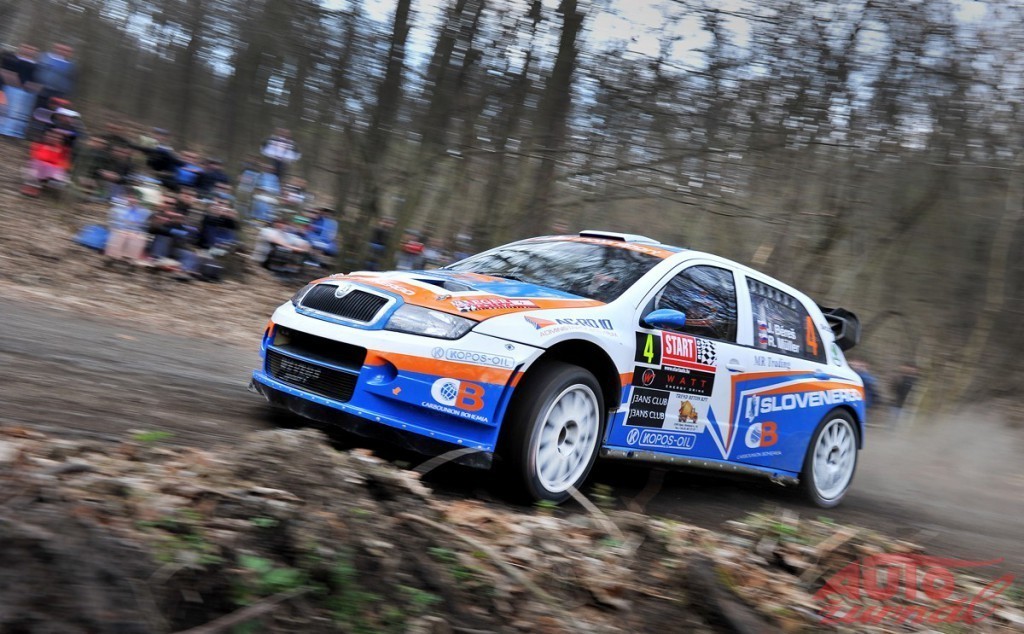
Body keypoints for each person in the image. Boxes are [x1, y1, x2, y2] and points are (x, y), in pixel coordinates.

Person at [0, 44, 39, 139]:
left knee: (20, 114)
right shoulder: (10, 59)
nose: (28, 50)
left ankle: (15, 134)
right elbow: (4, 72)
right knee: (5, 110)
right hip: (8, 88)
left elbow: (37, 80)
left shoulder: (37, 66)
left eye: (31, 48)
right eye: (26, 47)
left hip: (26, 94)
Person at [23, 128, 71, 197]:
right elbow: (35, 157)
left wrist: (54, 167)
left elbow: (64, 164)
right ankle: (32, 187)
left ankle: (41, 184)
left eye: (57, 138)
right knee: (36, 165)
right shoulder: (39, 145)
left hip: (54, 173)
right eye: (51, 136)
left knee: (60, 178)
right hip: (39, 169)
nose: (53, 139)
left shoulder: (63, 150)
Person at [105, 191, 151, 263]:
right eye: (130, 197)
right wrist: (116, 228)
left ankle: (128, 258)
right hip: (120, 229)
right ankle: (113, 257)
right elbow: (112, 221)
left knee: (138, 238)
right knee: (119, 235)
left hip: (135, 231)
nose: (132, 200)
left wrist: (137, 232)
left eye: (135, 198)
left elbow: (144, 225)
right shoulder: (117, 209)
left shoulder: (144, 211)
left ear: (139, 200)